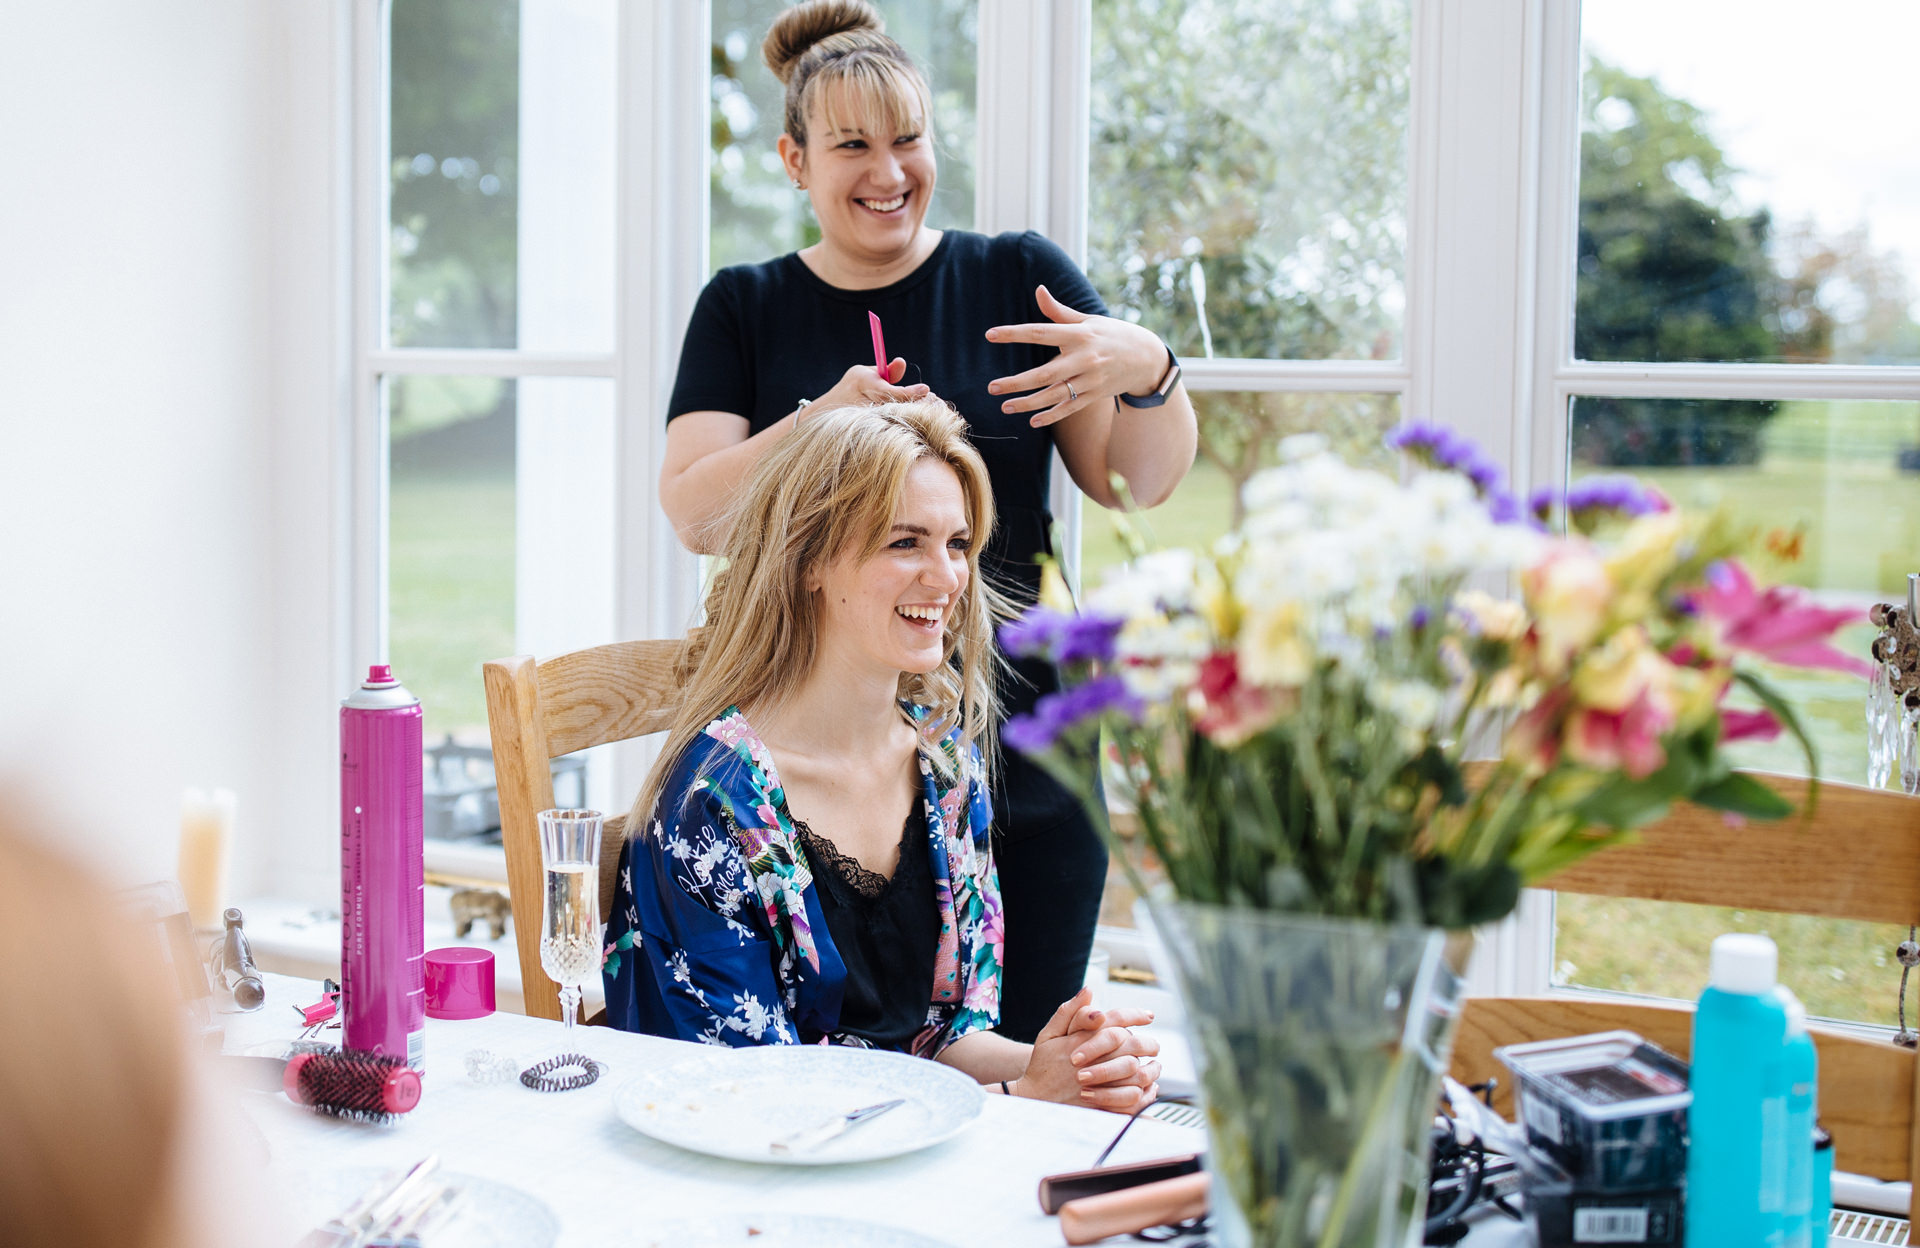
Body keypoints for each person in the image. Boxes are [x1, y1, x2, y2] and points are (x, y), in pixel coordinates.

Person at [659, 0, 1198, 1043]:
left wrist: (1152, 372)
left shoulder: (1016, 276)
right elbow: (695, 513)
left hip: (1019, 736)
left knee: (1025, 1056)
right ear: (792, 158)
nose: (887, 170)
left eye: (907, 139)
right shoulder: (743, 305)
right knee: (856, 1049)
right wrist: (824, 421)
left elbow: (1136, 481)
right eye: (852, 144)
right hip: (829, 747)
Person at [606, 401, 1161, 1110]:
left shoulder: (943, 769)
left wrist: (1071, 1063)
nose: (946, 577)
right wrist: (1023, 1097)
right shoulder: (711, 808)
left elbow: (946, 1034)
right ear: (808, 559)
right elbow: (749, 1103)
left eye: (958, 543)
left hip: (909, 1157)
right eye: (906, 543)